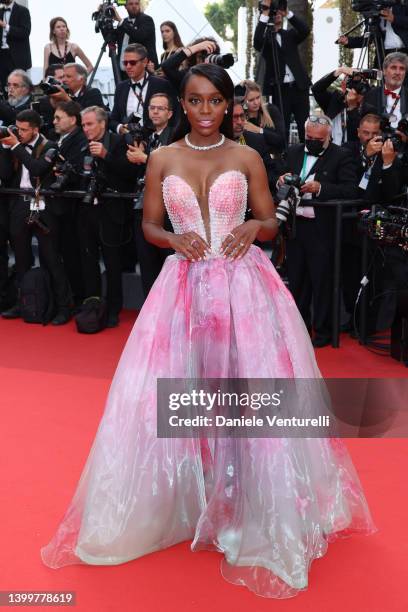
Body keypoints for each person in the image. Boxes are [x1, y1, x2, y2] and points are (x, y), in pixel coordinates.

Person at [41, 64, 375, 598]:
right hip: (182, 291)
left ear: (230, 106)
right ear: (180, 106)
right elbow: (149, 224)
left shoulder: (247, 158)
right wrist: (173, 241)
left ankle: (245, 498)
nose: (203, 112)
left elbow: (270, 222)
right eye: (193, 102)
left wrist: (251, 225)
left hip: (243, 288)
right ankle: (189, 494)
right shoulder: (162, 158)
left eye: (214, 102)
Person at [279, 115, 358, 347]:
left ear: (328, 137)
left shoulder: (341, 155)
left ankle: (323, 332)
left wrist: (320, 188)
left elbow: (351, 190)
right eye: (309, 138)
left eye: (318, 139)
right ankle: (300, 331)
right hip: (295, 227)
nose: (312, 142)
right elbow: (279, 175)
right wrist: (281, 180)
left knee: (322, 282)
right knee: (297, 280)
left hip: (322, 230)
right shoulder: (293, 151)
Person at [0, 109, 73, 324]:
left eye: (24, 130)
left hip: (44, 206)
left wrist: (15, 146)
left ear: (36, 129)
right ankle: (23, 304)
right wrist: (5, 150)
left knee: (50, 257)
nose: (19, 133)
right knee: (21, 258)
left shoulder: (50, 146)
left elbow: (38, 168)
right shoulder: (13, 146)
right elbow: (4, 175)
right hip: (19, 205)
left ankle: (62, 307)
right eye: (18, 128)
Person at [126, 92, 174, 296]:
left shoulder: (176, 137)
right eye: (152, 108)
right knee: (147, 266)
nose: (154, 111)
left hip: (168, 212)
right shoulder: (147, 136)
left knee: (169, 265)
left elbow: (175, 170)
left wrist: (145, 158)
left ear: (170, 113)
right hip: (144, 207)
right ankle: (150, 315)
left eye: (160, 108)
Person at [253, 0, 311, 141]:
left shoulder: (289, 35)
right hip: (280, 89)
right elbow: (257, 42)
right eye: (275, 10)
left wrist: (288, 13)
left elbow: (305, 30)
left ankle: (306, 155)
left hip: (299, 87)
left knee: (304, 124)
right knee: (281, 126)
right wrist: (266, 12)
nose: (277, 13)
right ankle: (283, 158)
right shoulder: (266, 39)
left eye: (279, 10)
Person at [109, 43, 174, 134]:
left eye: (132, 62)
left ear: (144, 62)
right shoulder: (121, 87)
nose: (128, 66)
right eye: (125, 63)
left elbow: (172, 116)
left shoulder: (161, 84)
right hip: (127, 142)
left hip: (154, 141)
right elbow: (113, 119)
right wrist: (120, 128)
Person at [311, 67, 366, 145]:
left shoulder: (366, 104)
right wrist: (339, 71)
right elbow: (316, 89)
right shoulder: (334, 100)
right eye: (351, 83)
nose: (354, 88)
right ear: (343, 85)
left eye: (358, 84)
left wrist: (352, 106)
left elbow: (359, 132)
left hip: (352, 152)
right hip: (331, 149)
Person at [362, 52, 408, 127]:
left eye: (402, 69)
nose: (397, 72)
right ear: (384, 71)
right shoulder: (370, 95)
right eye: (393, 67)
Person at [113, 0, 158, 77]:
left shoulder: (147, 20)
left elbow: (139, 36)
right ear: (125, 6)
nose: (134, 6)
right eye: (131, 4)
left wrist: (121, 21)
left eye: (136, 4)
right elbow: (112, 39)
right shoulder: (124, 22)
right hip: (124, 72)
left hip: (144, 71)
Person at [240, 79, 286, 154]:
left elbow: (281, 140)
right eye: (251, 100)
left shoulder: (271, 110)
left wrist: (258, 130)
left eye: (258, 97)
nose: (256, 102)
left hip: (273, 159)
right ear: (243, 101)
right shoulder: (240, 117)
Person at [0, 0, 31, 94]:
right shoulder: (0, 11)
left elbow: (25, 32)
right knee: (5, 88)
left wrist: (5, 26)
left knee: (20, 88)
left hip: (17, 58)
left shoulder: (23, 11)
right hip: (2, 56)